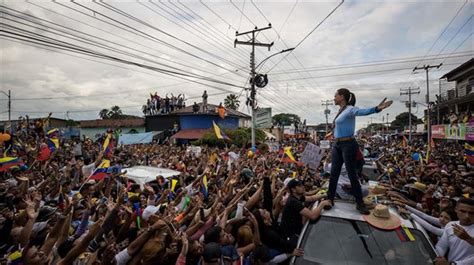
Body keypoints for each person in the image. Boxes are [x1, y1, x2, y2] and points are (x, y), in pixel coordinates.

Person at [325, 88, 392, 214]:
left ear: (342, 97)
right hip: (337, 144)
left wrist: (377, 108)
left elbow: (363, 112)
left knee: (352, 175)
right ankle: (330, 199)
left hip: (348, 144)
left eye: (335, 96)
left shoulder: (350, 109)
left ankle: (360, 204)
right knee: (334, 173)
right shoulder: (341, 111)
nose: (334, 98)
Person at [279, 179, 331, 246]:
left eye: (302, 184)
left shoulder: (297, 197)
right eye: (299, 185)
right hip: (290, 237)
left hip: (295, 232)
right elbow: (313, 216)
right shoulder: (293, 201)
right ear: (293, 190)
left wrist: (324, 195)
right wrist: (322, 204)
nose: (303, 186)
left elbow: (312, 198)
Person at [434, 198, 474, 265]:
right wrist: (437, 257)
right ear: (456, 210)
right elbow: (441, 246)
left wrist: (468, 238)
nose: (467, 216)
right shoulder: (450, 225)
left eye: (471, 213)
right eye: (463, 211)